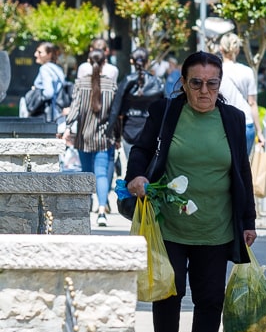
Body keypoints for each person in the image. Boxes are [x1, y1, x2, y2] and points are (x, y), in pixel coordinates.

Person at [125, 52, 257, 332]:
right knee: (169, 293)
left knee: (210, 298)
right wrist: (136, 176)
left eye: (211, 83)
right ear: (183, 83)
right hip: (169, 224)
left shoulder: (232, 118)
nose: (203, 90)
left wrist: (248, 221)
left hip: (216, 226)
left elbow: (241, 171)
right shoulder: (166, 112)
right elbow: (140, 150)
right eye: (195, 83)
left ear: (219, 84)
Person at [64, 47, 118, 226]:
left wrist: (67, 127)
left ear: (88, 61)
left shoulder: (80, 83)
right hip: (104, 137)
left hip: (83, 136)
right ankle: (102, 211)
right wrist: (117, 137)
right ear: (104, 63)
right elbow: (115, 114)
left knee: (86, 173)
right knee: (101, 174)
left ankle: (85, 209)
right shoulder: (111, 84)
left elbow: (75, 108)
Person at [108, 48, 166, 164]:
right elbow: (165, 109)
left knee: (133, 168)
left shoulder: (126, 81)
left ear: (131, 61)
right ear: (148, 62)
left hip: (129, 131)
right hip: (151, 131)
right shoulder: (157, 82)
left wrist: (110, 133)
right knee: (149, 169)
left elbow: (115, 110)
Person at [217, 33, 263, 151]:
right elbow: (252, 103)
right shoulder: (247, 71)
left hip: (223, 123)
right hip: (246, 122)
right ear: (237, 50)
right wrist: (259, 132)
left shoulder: (216, 72)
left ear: (221, 49)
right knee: (243, 166)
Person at [19, 42, 65, 122]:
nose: (36, 54)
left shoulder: (45, 69)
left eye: (40, 52)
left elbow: (49, 93)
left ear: (49, 54)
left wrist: (37, 92)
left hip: (44, 114)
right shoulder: (58, 69)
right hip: (57, 113)